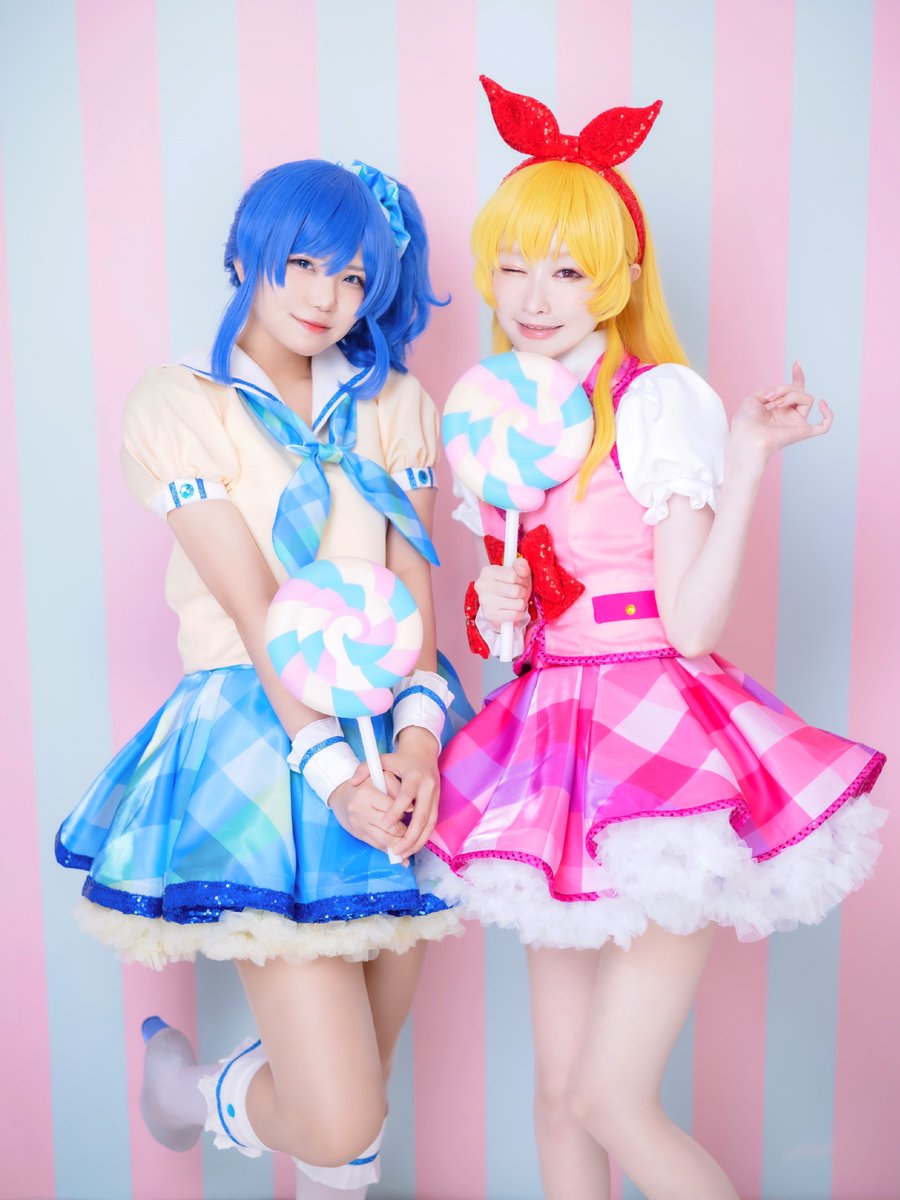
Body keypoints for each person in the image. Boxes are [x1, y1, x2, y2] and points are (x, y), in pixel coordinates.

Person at [422, 78, 886, 1200]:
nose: (535, 297)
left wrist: (746, 460)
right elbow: (513, 637)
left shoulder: (654, 401)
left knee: (609, 1098)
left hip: (658, 744)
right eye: (514, 267)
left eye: (568, 271)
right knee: (554, 1096)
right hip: (552, 741)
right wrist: (500, 604)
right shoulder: (501, 419)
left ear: (619, 279)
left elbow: (690, 625)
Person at [56, 157, 466, 1198]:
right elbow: (255, 610)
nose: (325, 298)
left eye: (353, 278)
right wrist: (332, 777)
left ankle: (227, 1100)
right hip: (261, 731)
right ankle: (197, 1090)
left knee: (360, 1111)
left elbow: (417, 600)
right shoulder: (181, 405)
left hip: (390, 728)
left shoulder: (395, 404)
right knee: (338, 1116)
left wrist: (419, 749)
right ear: (245, 255)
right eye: (301, 264)